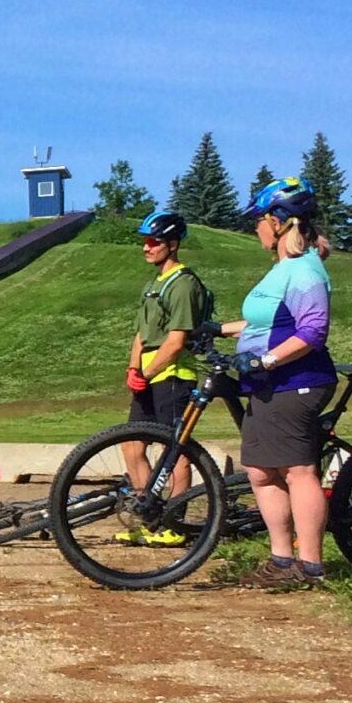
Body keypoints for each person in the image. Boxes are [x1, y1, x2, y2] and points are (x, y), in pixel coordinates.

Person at [223, 177, 336, 590]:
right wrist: (217, 329)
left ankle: (309, 566)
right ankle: (280, 559)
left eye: (259, 220)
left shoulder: (305, 269)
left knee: (298, 470)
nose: (256, 228)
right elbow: (263, 323)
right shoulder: (283, 269)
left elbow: (312, 332)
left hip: (297, 381)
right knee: (259, 471)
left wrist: (266, 359)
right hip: (266, 382)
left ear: (281, 221)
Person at [118, 210, 215, 543]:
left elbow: (175, 343)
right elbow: (141, 335)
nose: (146, 247)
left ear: (173, 244)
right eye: (144, 241)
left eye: (153, 241)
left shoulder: (184, 284)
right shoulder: (152, 284)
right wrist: (134, 371)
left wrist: (147, 372)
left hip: (172, 375)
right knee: (132, 447)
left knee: (176, 453)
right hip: (147, 374)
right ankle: (150, 517)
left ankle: (174, 525)